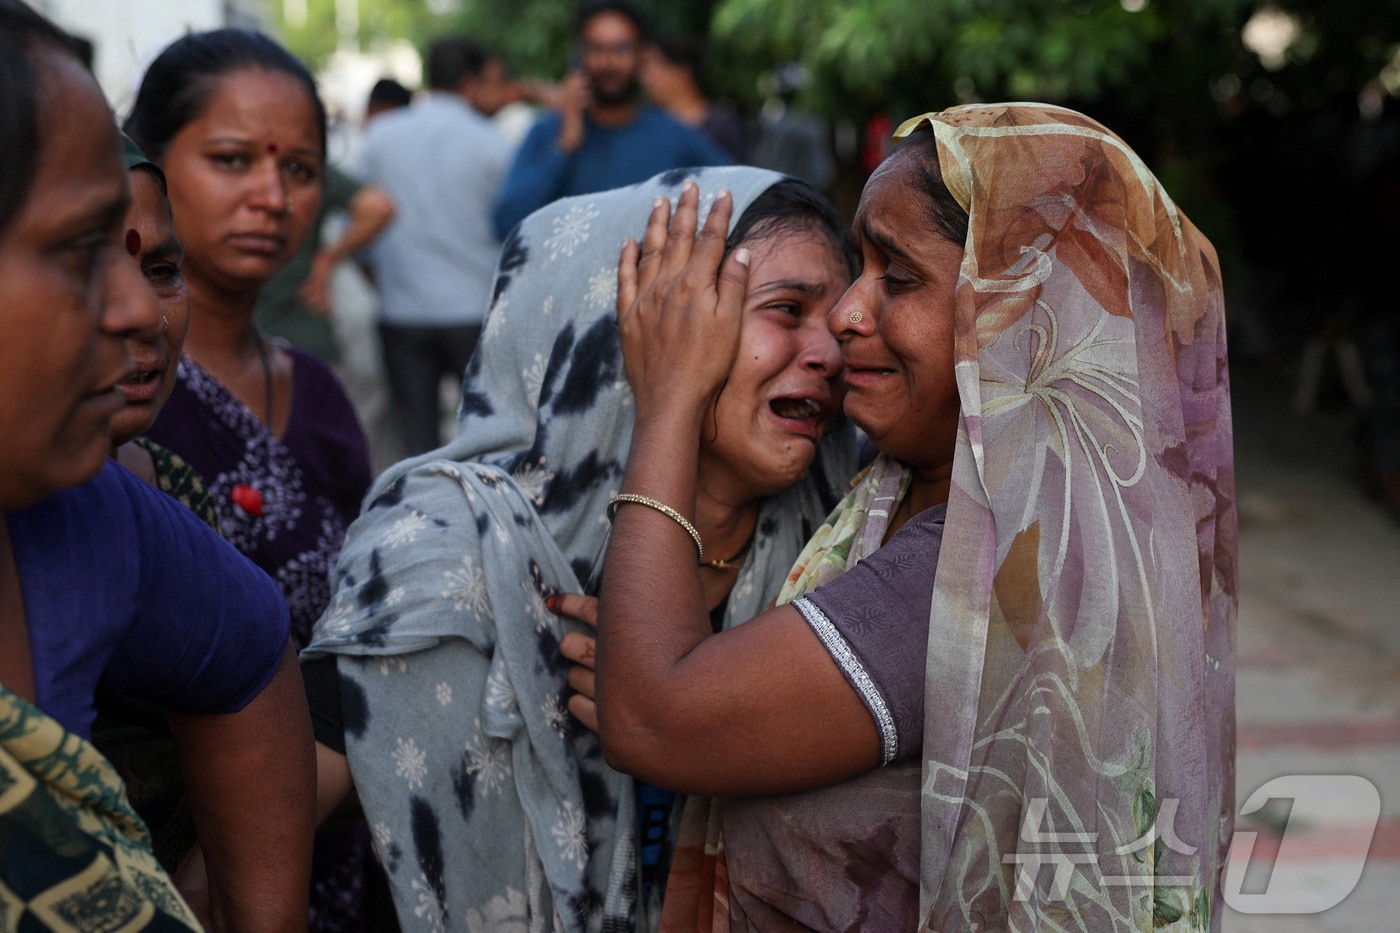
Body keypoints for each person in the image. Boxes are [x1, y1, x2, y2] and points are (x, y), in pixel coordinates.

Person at [591, 104, 1237, 929]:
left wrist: (670, 398)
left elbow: (654, 718)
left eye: (896, 277)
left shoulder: (988, 568)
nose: (846, 314)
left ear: (1025, 319)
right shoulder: (901, 489)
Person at [300, 166, 858, 931]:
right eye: (788, 309)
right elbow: (261, 821)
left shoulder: (842, 547)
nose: (830, 351)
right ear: (617, 327)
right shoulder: (448, 559)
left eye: (844, 320)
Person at [0, 2, 314, 928]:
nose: (140, 310)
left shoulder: (78, 511)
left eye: (148, 263)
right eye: (80, 248)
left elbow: (251, 651)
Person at [124, 28, 378, 931]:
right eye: (233, 160)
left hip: (333, 834)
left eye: (301, 171)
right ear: (144, 163)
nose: (272, 197)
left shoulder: (317, 393)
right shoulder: (107, 399)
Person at [356, 36, 514, 456]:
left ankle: (421, 517)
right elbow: (514, 226)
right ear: (472, 81)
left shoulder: (380, 137)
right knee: (486, 440)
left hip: (402, 311)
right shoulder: (493, 142)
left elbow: (353, 225)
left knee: (418, 445)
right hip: (475, 309)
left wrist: (378, 279)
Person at [491, 1, 732, 239]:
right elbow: (506, 225)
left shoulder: (673, 135)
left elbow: (739, 193)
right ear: (580, 55)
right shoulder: (548, 133)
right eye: (597, 49)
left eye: (622, 48)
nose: (609, 61)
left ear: (642, 54)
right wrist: (564, 146)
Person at [641, 34, 747, 162]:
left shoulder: (722, 129)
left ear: (682, 72)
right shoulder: (646, 128)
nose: (645, 78)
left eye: (654, 66)